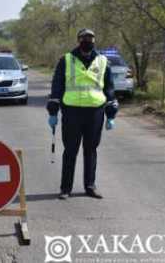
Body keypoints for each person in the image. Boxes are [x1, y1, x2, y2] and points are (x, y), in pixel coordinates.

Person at [46, 28, 118, 200]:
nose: (88, 41)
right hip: (72, 111)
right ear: (78, 40)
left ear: (94, 41)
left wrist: (111, 114)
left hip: (95, 111)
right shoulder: (66, 60)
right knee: (70, 150)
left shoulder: (103, 61)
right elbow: (57, 86)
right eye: (85, 38)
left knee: (91, 150)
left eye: (91, 38)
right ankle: (65, 188)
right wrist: (53, 112)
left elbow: (109, 88)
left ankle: (90, 186)